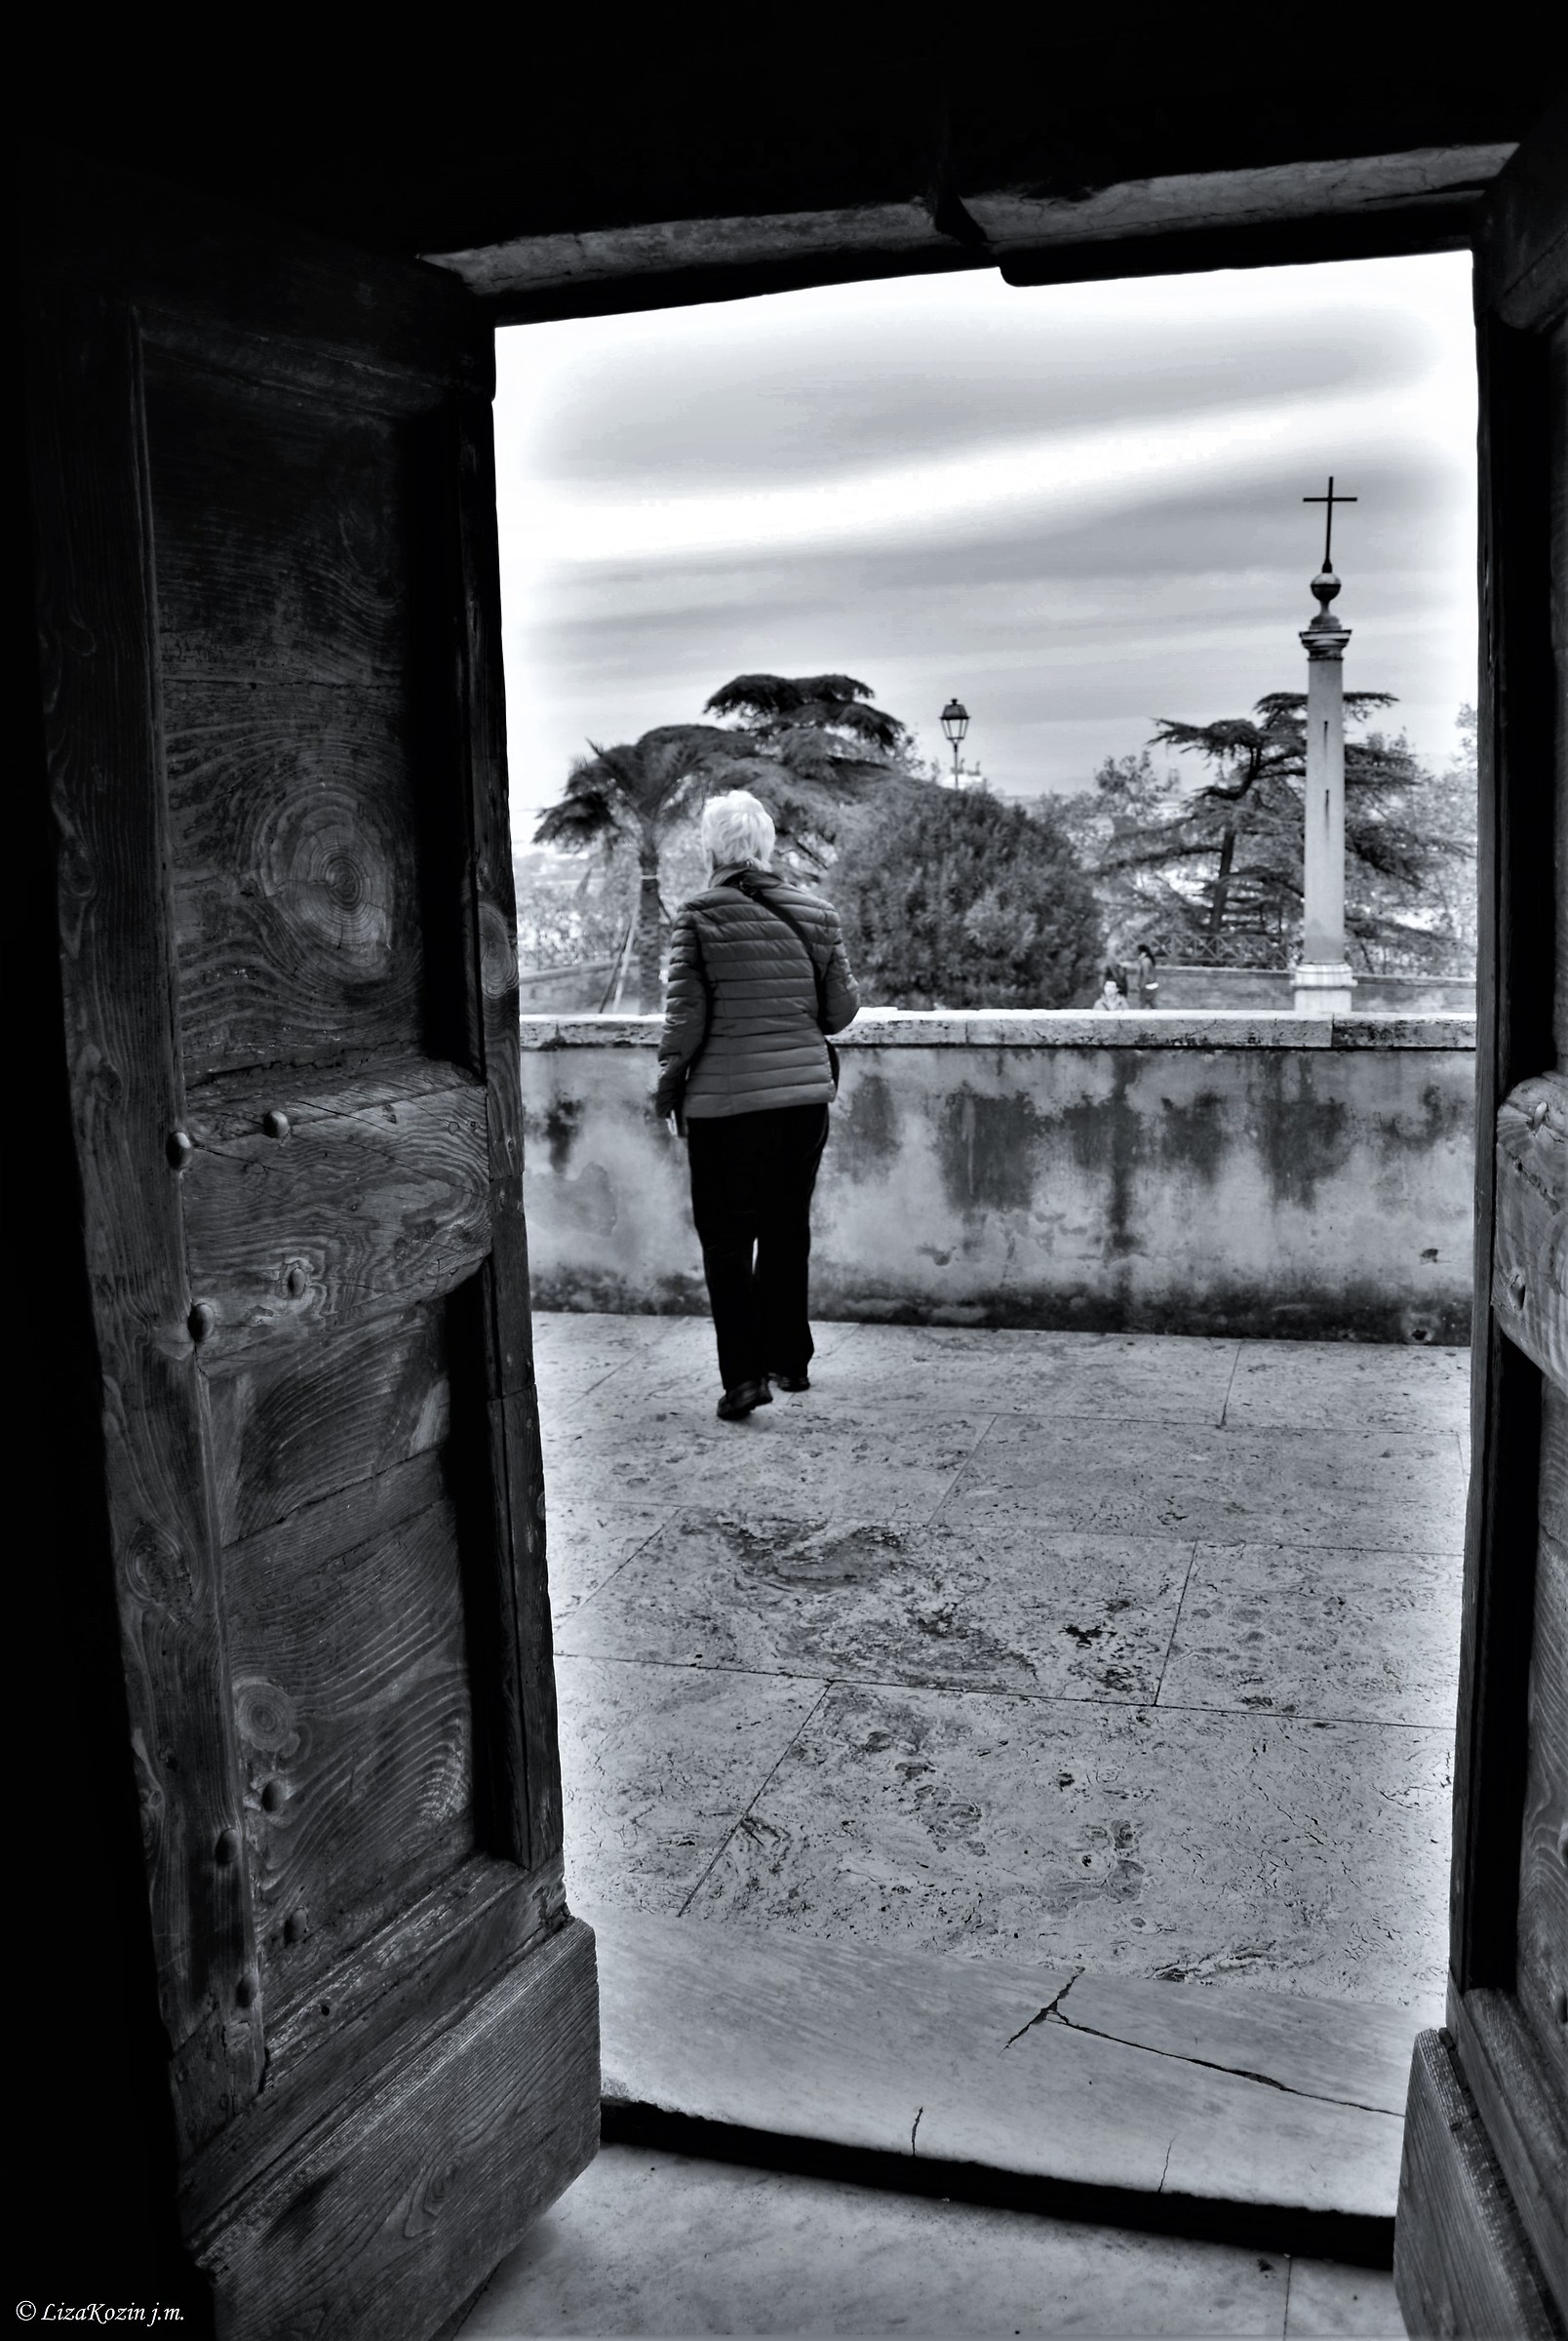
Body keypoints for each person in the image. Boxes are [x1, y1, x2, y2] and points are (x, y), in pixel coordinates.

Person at [655, 790, 859, 1420]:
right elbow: (841, 1013)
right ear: (765, 847)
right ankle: (791, 1361)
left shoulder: (698, 916)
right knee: (785, 1228)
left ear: (712, 849)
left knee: (726, 1241)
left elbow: (685, 1020)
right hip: (803, 1106)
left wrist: (667, 1089)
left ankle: (744, 1379)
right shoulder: (817, 913)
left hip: (726, 1111)